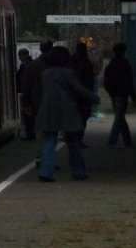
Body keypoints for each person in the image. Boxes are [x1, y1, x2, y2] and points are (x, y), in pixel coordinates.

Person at [35, 45, 100, 182]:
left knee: (50, 140)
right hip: (67, 108)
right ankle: (78, 172)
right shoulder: (68, 73)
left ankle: (46, 171)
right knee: (73, 141)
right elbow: (78, 88)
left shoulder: (45, 74)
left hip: (49, 108)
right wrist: (93, 97)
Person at [102, 42, 136, 148]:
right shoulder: (125, 64)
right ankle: (112, 141)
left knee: (119, 117)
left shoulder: (111, 64)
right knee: (119, 117)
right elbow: (129, 82)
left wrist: (109, 90)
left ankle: (127, 141)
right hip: (122, 93)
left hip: (114, 93)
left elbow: (106, 80)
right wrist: (133, 96)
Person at [20, 40, 53, 142]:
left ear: (40, 49)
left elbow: (25, 86)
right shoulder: (56, 65)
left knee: (42, 129)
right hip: (52, 101)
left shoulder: (32, 66)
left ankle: (43, 149)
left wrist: (26, 103)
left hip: (37, 101)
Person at [70, 40, 97, 146]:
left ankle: (72, 137)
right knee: (83, 117)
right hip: (84, 95)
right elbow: (90, 81)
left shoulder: (70, 61)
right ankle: (79, 138)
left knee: (73, 117)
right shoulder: (86, 62)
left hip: (72, 94)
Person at [16, 48, 34, 139]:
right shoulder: (28, 64)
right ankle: (30, 133)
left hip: (27, 93)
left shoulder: (26, 65)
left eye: (20, 55)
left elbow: (23, 79)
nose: (19, 58)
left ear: (24, 55)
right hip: (27, 92)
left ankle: (30, 134)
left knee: (28, 113)